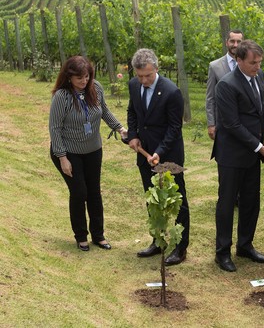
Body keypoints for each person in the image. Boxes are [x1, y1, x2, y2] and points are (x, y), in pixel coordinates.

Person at [212, 40, 264, 272]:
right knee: (227, 202)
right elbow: (231, 124)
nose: (257, 67)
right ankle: (222, 252)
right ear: (239, 60)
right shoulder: (226, 85)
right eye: (253, 63)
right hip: (232, 154)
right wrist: (260, 148)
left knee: (251, 201)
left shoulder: (258, 78)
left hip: (253, 153)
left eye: (259, 62)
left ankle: (245, 245)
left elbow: (258, 112)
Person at [49, 56, 126, 251]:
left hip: (93, 150)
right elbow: (55, 128)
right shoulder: (62, 97)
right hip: (68, 152)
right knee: (79, 192)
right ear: (68, 77)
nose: (84, 82)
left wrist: (120, 128)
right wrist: (62, 158)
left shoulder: (96, 88)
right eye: (79, 78)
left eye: (87, 77)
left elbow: (105, 112)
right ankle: (81, 235)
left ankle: (98, 235)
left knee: (94, 192)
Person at [127, 48, 190, 266]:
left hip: (168, 153)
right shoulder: (134, 85)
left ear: (156, 69)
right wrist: (133, 136)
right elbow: (132, 112)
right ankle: (158, 240)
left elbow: (174, 128)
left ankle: (180, 248)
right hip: (144, 153)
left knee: (177, 198)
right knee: (152, 197)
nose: (143, 80)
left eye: (148, 75)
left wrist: (160, 152)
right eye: (140, 76)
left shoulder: (172, 92)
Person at [206, 29, 244, 140]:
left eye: (239, 42)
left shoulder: (248, 65)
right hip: (223, 123)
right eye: (232, 41)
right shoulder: (215, 66)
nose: (235, 45)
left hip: (244, 121)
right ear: (226, 42)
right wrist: (211, 124)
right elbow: (210, 97)